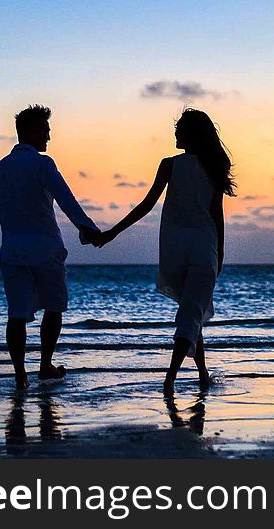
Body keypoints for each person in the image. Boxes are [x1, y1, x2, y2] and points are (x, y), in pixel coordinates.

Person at [98, 108, 235, 395]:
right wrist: (220, 254)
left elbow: (146, 205)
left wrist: (113, 232)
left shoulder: (169, 165)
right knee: (190, 313)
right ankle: (170, 379)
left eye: (178, 129)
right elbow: (216, 214)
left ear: (190, 134)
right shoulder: (214, 165)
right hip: (204, 248)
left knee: (191, 311)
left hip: (173, 251)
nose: (174, 133)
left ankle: (202, 374)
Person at [0, 104, 101, 390]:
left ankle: (20, 375)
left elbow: (2, 210)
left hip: (12, 249)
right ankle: (44, 365)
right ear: (29, 131)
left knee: (16, 314)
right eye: (45, 130)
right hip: (44, 247)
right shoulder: (43, 164)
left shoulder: (0, 168)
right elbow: (66, 199)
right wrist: (87, 229)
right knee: (54, 307)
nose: (49, 137)